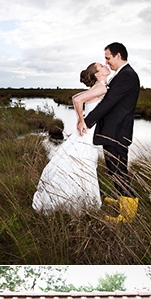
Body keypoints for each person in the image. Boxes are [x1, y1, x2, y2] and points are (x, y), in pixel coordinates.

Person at [32, 62, 111, 214]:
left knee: (78, 163)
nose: (105, 65)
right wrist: (80, 120)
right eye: (101, 65)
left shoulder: (98, 86)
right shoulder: (101, 87)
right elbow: (76, 100)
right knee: (84, 164)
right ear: (97, 74)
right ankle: (82, 202)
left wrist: (80, 119)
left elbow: (76, 96)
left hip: (88, 129)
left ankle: (76, 199)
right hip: (89, 131)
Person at [79, 42, 141, 223]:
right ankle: (123, 201)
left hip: (117, 132)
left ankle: (128, 214)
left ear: (118, 56)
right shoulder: (121, 75)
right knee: (114, 171)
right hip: (112, 131)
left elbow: (108, 103)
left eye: (108, 58)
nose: (106, 62)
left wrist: (87, 122)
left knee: (119, 171)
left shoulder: (127, 75)